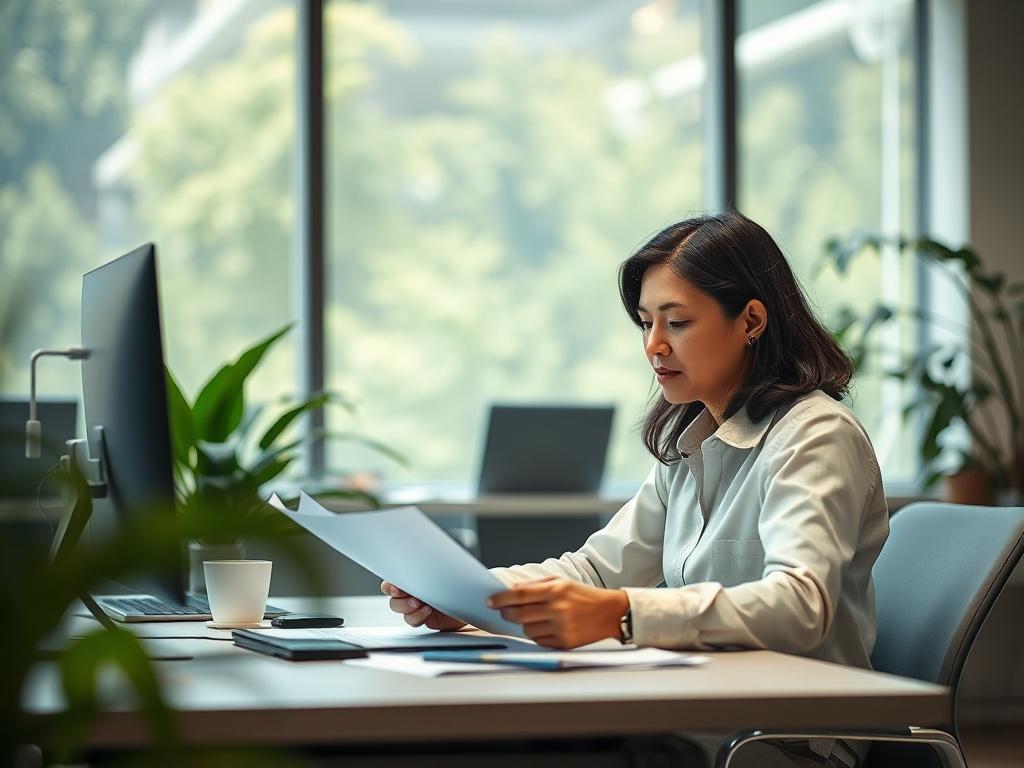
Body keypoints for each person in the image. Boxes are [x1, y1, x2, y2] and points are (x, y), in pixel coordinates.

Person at [382, 210, 888, 767]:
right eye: (646, 323)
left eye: (677, 323)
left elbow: (799, 607)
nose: (654, 346)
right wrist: (469, 596)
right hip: (701, 713)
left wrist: (619, 615)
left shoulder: (815, 435)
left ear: (750, 321)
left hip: (785, 743)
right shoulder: (693, 443)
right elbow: (597, 571)